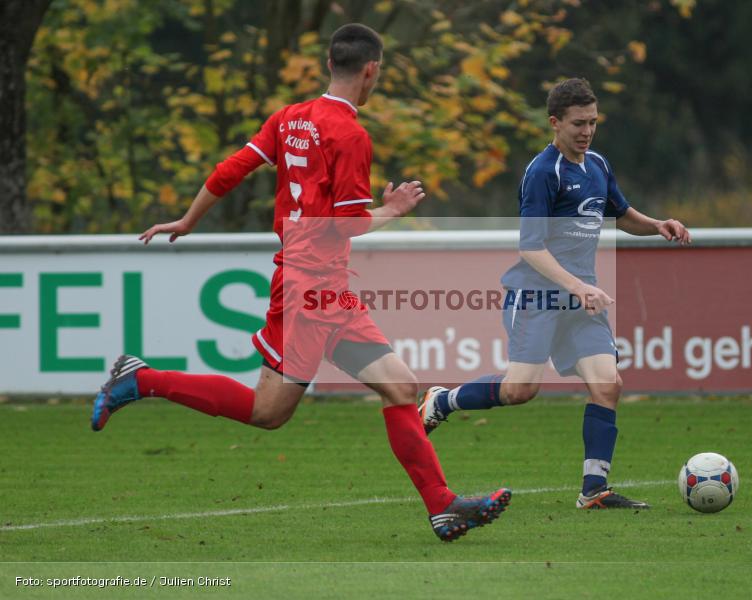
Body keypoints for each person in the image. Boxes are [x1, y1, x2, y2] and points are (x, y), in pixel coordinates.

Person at [91, 23, 510, 542]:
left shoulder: (289, 118)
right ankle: (141, 380)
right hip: (310, 291)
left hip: (319, 286)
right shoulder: (351, 135)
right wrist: (395, 208)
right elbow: (347, 224)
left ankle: (443, 507)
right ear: (371, 71)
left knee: (388, 388)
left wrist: (188, 220)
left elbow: (230, 169)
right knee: (279, 410)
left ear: (330, 64)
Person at [418, 77, 691, 510]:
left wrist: (657, 225)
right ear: (555, 123)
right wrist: (578, 286)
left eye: (593, 122)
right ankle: (443, 399)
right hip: (538, 298)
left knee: (608, 385)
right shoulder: (543, 173)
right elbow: (530, 246)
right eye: (578, 123)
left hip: (581, 302)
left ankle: (594, 490)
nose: (587, 131)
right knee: (520, 391)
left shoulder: (597, 164)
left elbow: (620, 213)